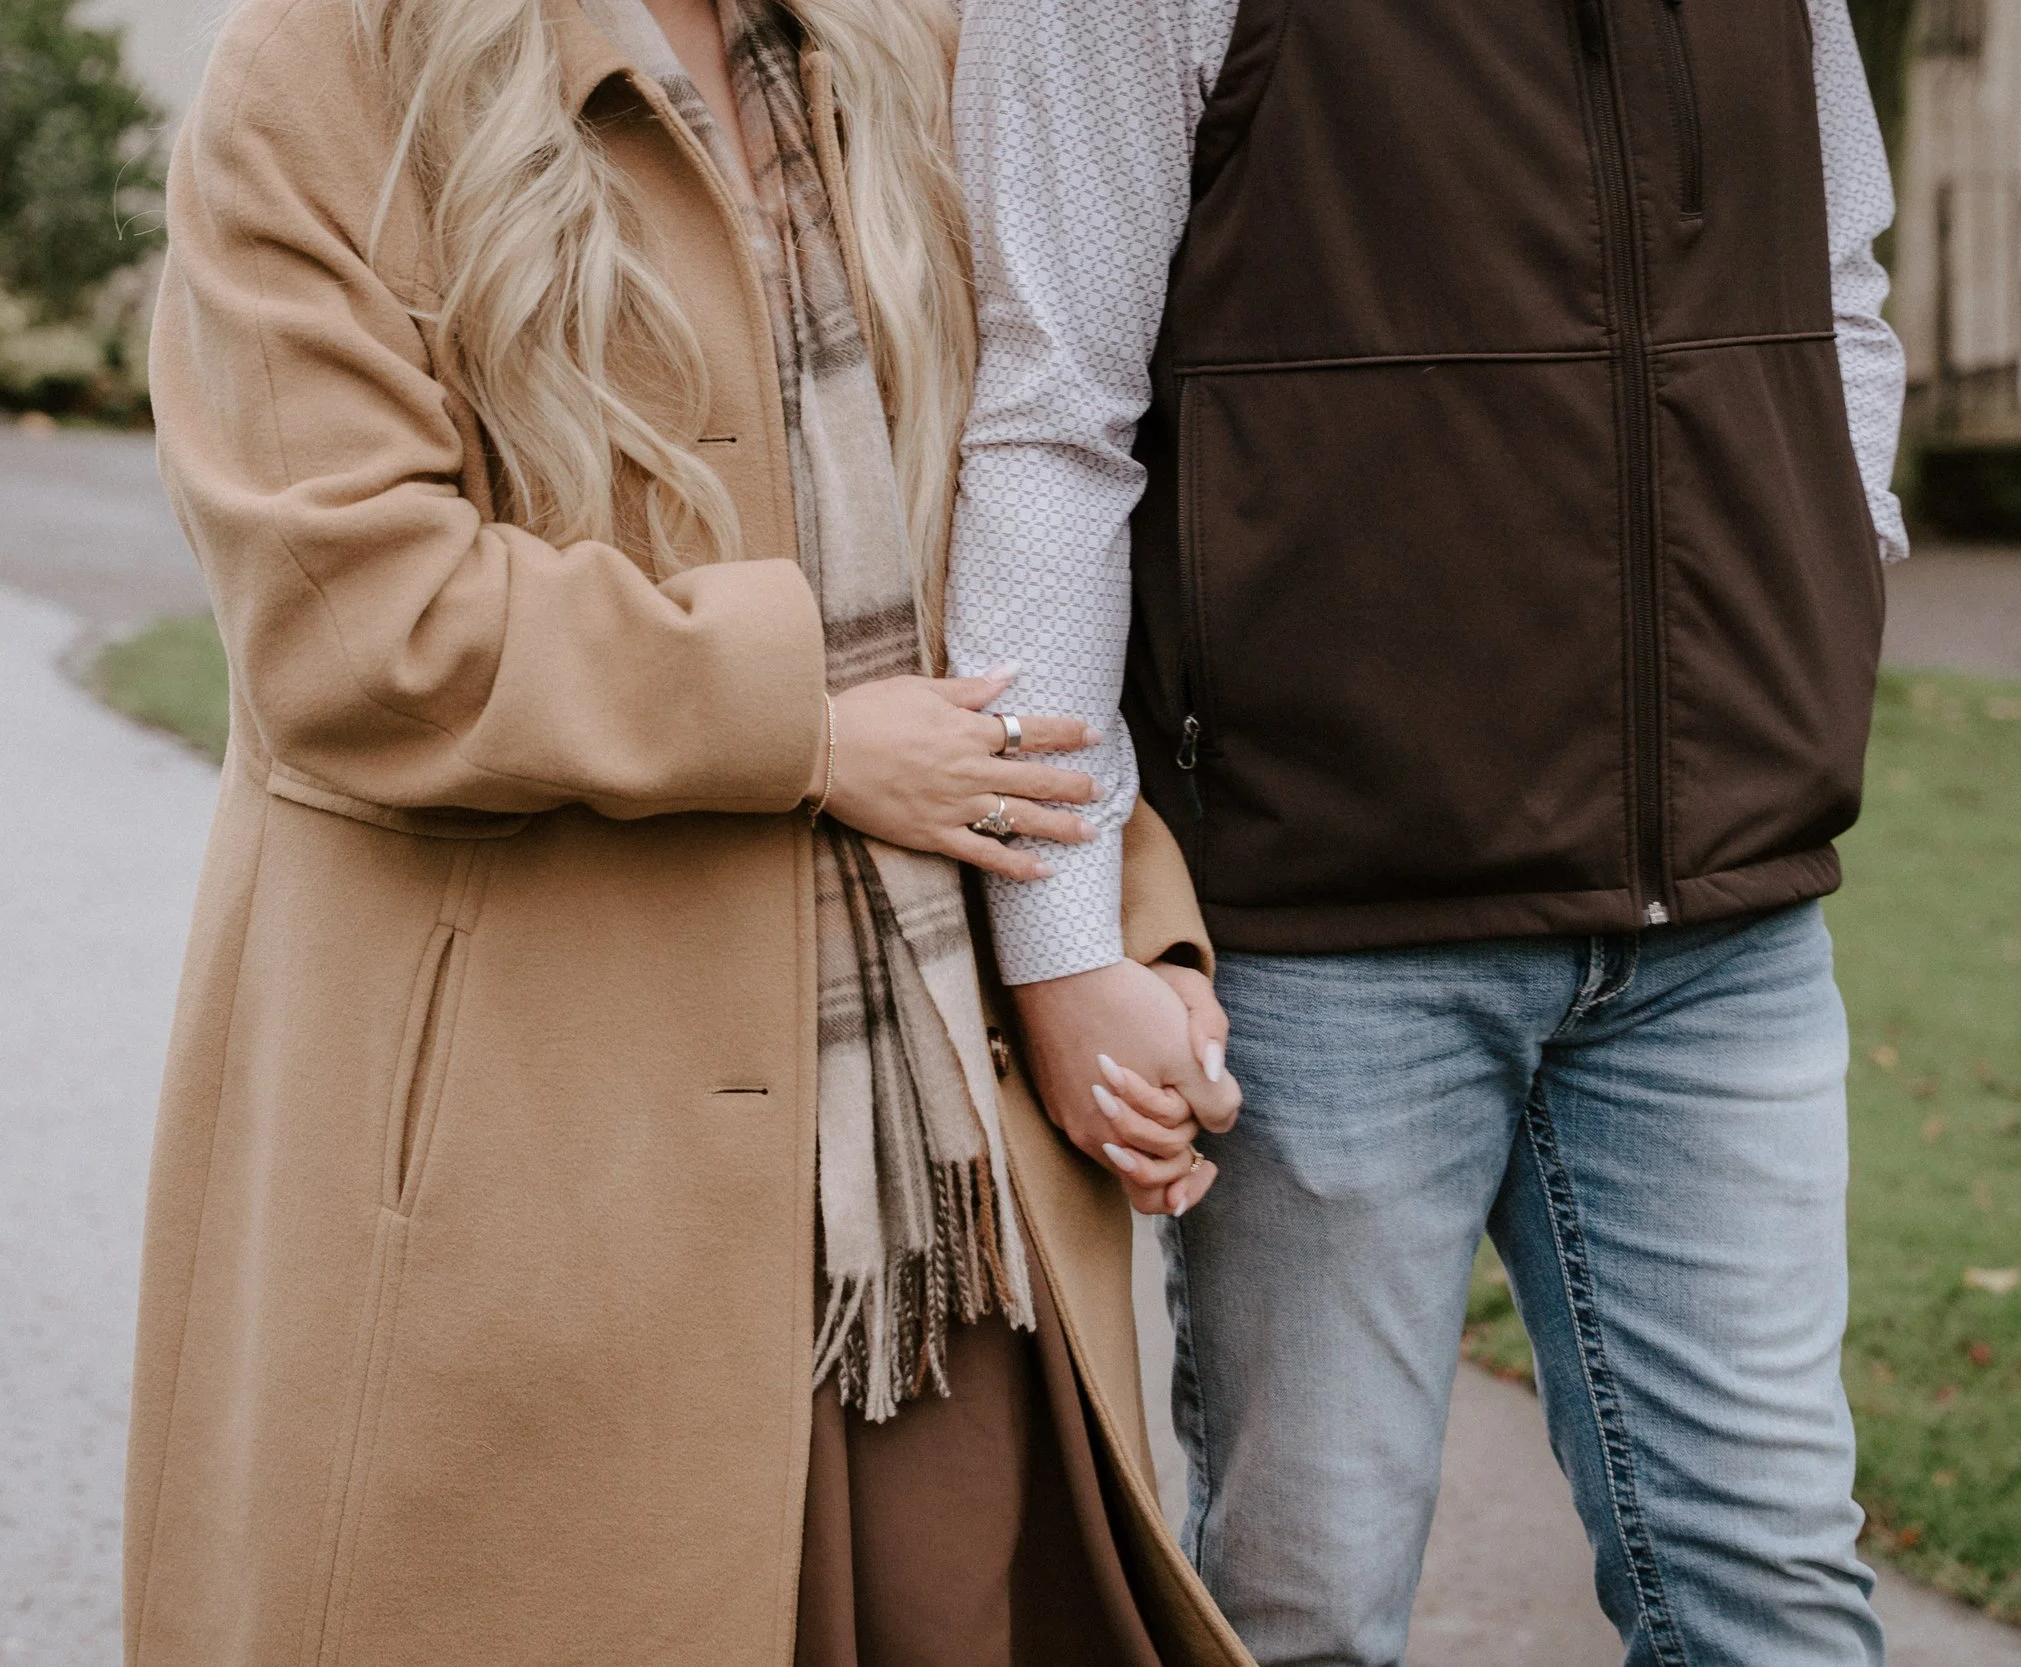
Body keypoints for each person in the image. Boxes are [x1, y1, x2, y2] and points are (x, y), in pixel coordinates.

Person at [126, 0, 1252, 1661]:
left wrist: (1119, 927)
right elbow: (349, 619)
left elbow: (1024, 543)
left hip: (934, 1209)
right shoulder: (330, 64)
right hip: (531, 1199)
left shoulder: (907, 44)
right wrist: (795, 726)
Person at [947, 0, 1911, 1663]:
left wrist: (1828, 585)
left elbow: (1836, 290)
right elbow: (1048, 419)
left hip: (1722, 939)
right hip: (1330, 947)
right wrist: (1063, 931)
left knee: (1780, 1605)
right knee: (1303, 1621)